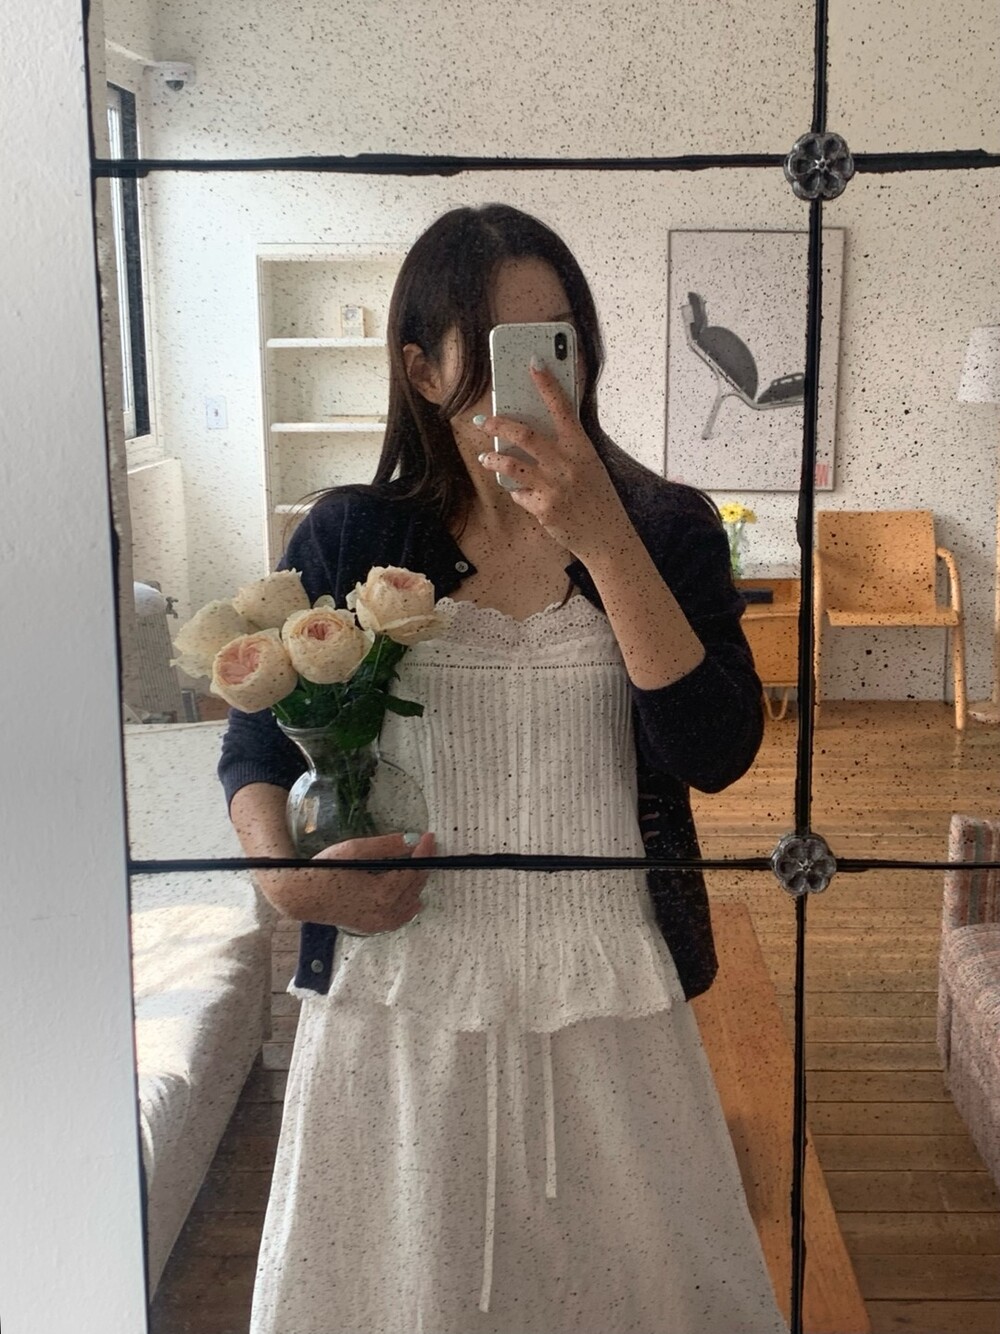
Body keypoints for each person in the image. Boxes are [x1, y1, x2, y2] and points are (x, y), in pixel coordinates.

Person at [219, 203, 787, 1334]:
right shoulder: (351, 534)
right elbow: (255, 744)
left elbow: (717, 752)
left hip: (611, 993)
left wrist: (602, 537)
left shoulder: (665, 527)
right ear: (421, 371)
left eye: (555, 341)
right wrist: (284, 879)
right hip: (399, 999)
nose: (532, 379)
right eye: (490, 350)